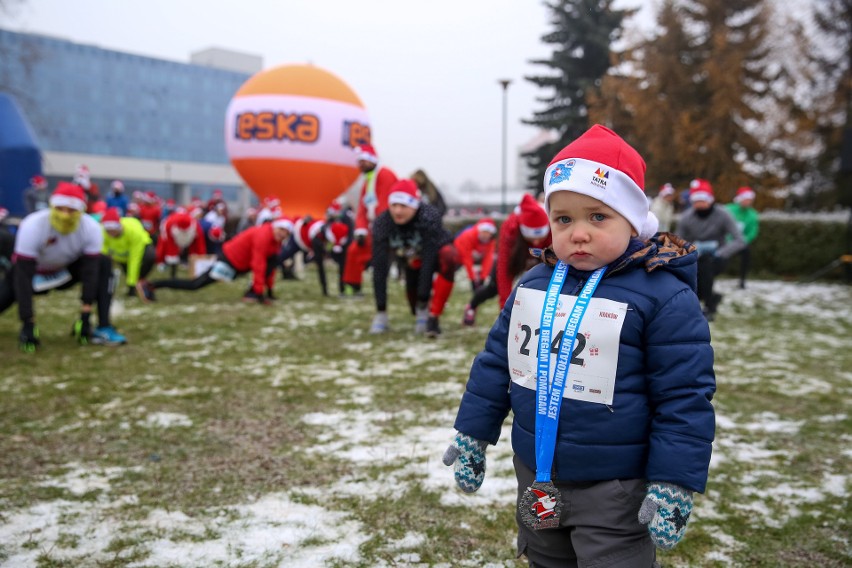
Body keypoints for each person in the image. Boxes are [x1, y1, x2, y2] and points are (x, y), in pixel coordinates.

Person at [443, 124, 715, 567]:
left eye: (598, 217)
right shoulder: (533, 283)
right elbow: (497, 362)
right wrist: (473, 431)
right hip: (536, 473)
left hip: (616, 488)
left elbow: (683, 397)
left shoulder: (664, 297)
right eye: (563, 219)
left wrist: (673, 480)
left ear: (634, 221)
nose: (578, 233)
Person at [0, 182, 127, 350]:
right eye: (60, 209)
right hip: (32, 274)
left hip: (65, 271)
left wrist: (85, 315)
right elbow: (23, 275)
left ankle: (103, 326)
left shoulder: (91, 228)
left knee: (103, 263)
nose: (65, 215)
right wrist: (28, 322)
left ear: (81, 211)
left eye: (71, 210)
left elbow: (91, 272)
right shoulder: (32, 225)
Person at [368, 179, 452, 336]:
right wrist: (381, 310)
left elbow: (428, 261)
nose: (398, 211)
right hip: (409, 260)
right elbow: (379, 267)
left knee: (449, 255)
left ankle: (432, 315)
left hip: (434, 257)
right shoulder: (382, 223)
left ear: (414, 206)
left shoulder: (429, 216)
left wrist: (423, 300)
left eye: (403, 206)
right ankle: (411, 310)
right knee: (412, 300)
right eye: (394, 206)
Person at [150, 216, 293, 303]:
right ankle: (153, 285)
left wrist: (269, 291)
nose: (282, 234)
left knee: (274, 259)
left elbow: (270, 265)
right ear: (275, 227)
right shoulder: (263, 236)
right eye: (281, 230)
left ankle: (252, 294)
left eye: (286, 233)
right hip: (229, 261)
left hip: (240, 264)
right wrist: (260, 292)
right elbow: (258, 264)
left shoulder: (275, 240)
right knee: (195, 285)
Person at [462, 193, 551, 327]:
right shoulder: (510, 228)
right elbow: (504, 272)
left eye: (540, 237)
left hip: (539, 260)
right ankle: (472, 306)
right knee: (493, 288)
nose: (537, 242)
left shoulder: (550, 225)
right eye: (532, 238)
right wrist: (505, 311)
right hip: (515, 257)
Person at [676, 179, 745, 320]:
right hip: (696, 256)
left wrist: (721, 253)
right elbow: (678, 241)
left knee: (705, 267)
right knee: (699, 269)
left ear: (710, 200)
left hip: (719, 257)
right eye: (696, 201)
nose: (700, 204)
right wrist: (691, 249)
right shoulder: (686, 217)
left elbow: (739, 240)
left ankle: (708, 306)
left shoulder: (723, 214)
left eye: (703, 200)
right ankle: (711, 299)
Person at [342, 143, 398, 297]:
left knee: (380, 257)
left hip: (387, 228)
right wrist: (361, 230)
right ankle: (352, 286)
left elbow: (386, 205)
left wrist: (377, 228)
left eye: (363, 160)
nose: (360, 164)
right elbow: (362, 208)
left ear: (373, 160)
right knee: (354, 249)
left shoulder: (385, 174)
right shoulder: (367, 181)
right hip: (373, 229)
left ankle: (381, 285)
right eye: (359, 161)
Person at [429, 218, 497, 332]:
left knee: (478, 289)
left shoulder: (490, 242)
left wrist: (483, 277)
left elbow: (488, 259)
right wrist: (472, 279)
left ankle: (470, 313)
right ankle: (434, 295)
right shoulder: (468, 236)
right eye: (484, 232)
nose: (486, 235)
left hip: (466, 259)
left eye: (488, 233)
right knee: (445, 277)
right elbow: (467, 259)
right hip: (456, 258)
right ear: (479, 231)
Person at [100, 207, 156, 302]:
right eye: (108, 231)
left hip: (141, 250)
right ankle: (135, 285)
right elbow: (103, 255)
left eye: (113, 230)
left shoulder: (133, 231)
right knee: (126, 270)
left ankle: (138, 283)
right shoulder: (103, 233)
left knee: (149, 257)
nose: (111, 233)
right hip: (120, 256)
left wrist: (131, 284)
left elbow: (135, 258)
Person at [725, 186, 760, 289]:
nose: (747, 202)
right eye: (746, 199)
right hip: (725, 241)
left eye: (750, 200)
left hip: (741, 243)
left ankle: (742, 280)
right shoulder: (728, 209)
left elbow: (753, 231)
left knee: (746, 254)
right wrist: (727, 240)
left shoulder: (752, 214)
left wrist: (743, 241)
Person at [155, 210, 207, 277]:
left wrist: (200, 258)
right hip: (171, 238)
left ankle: (190, 264)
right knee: (166, 248)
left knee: (194, 249)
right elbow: (168, 244)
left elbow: (199, 244)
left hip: (187, 238)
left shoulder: (195, 226)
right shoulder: (168, 224)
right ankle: (164, 264)